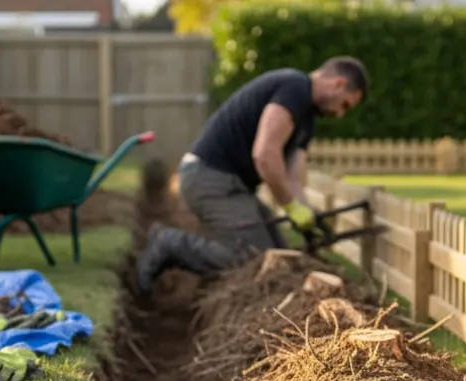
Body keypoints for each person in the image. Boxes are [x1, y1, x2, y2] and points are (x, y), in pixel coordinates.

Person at [133, 56, 369, 295]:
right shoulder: (295, 87)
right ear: (338, 84)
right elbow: (264, 154)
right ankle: (169, 243)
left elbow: (292, 176)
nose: (340, 114)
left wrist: (305, 213)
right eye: (345, 105)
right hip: (209, 178)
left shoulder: (306, 118)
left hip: (231, 186)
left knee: (279, 255)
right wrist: (291, 207)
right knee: (253, 260)